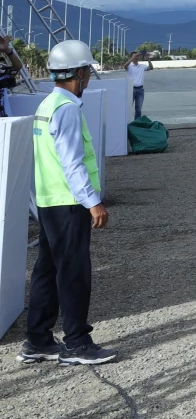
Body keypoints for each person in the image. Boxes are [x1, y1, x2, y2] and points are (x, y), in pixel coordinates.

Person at [19, 40, 118, 366]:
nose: (89, 77)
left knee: (46, 271)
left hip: (49, 202)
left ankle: (38, 340)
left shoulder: (46, 106)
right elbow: (72, 163)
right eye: (87, 71)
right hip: (69, 204)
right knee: (74, 273)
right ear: (79, 73)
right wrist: (93, 202)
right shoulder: (67, 111)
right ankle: (77, 342)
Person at [127, 49, 149, 120]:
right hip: (131, 89)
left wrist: (148, 59)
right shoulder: (129, 66)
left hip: (140, 90)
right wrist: (134, 56)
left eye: (137, 56)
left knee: (138, 110)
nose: (136, 57)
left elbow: (151, 68)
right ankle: (127, 123)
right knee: (128, 108)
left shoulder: (142, 66)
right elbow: (124, 65)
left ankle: (136, 123)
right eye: (134, 56)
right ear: (131, 57)